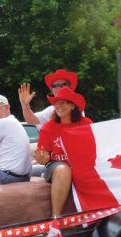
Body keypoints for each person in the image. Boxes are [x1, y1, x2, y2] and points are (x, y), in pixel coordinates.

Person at [36, 87, 92, 217]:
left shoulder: (86, 123)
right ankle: (56, 218)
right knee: (63, 169)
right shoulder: (47, 128)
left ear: (72, 106)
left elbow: (94, 148)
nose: (58, 106)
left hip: (80, 165)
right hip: (56, 165)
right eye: (56, 103)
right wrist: (42, 158)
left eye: (63, 102)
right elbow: (44, 156)